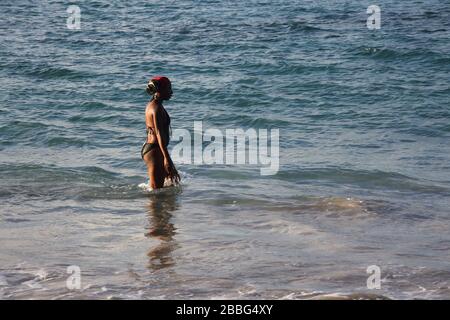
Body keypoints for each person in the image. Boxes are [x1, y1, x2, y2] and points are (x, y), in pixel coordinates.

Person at [141, 76, 180, 189]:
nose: (171, 92)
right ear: (160, 90)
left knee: (164, 189)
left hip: (154, 149)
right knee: (155, 193)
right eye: (169, 88)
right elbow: (159, 135)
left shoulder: (153, 105)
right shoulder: (156, 108)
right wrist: (167, 160)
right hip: (155, 150)